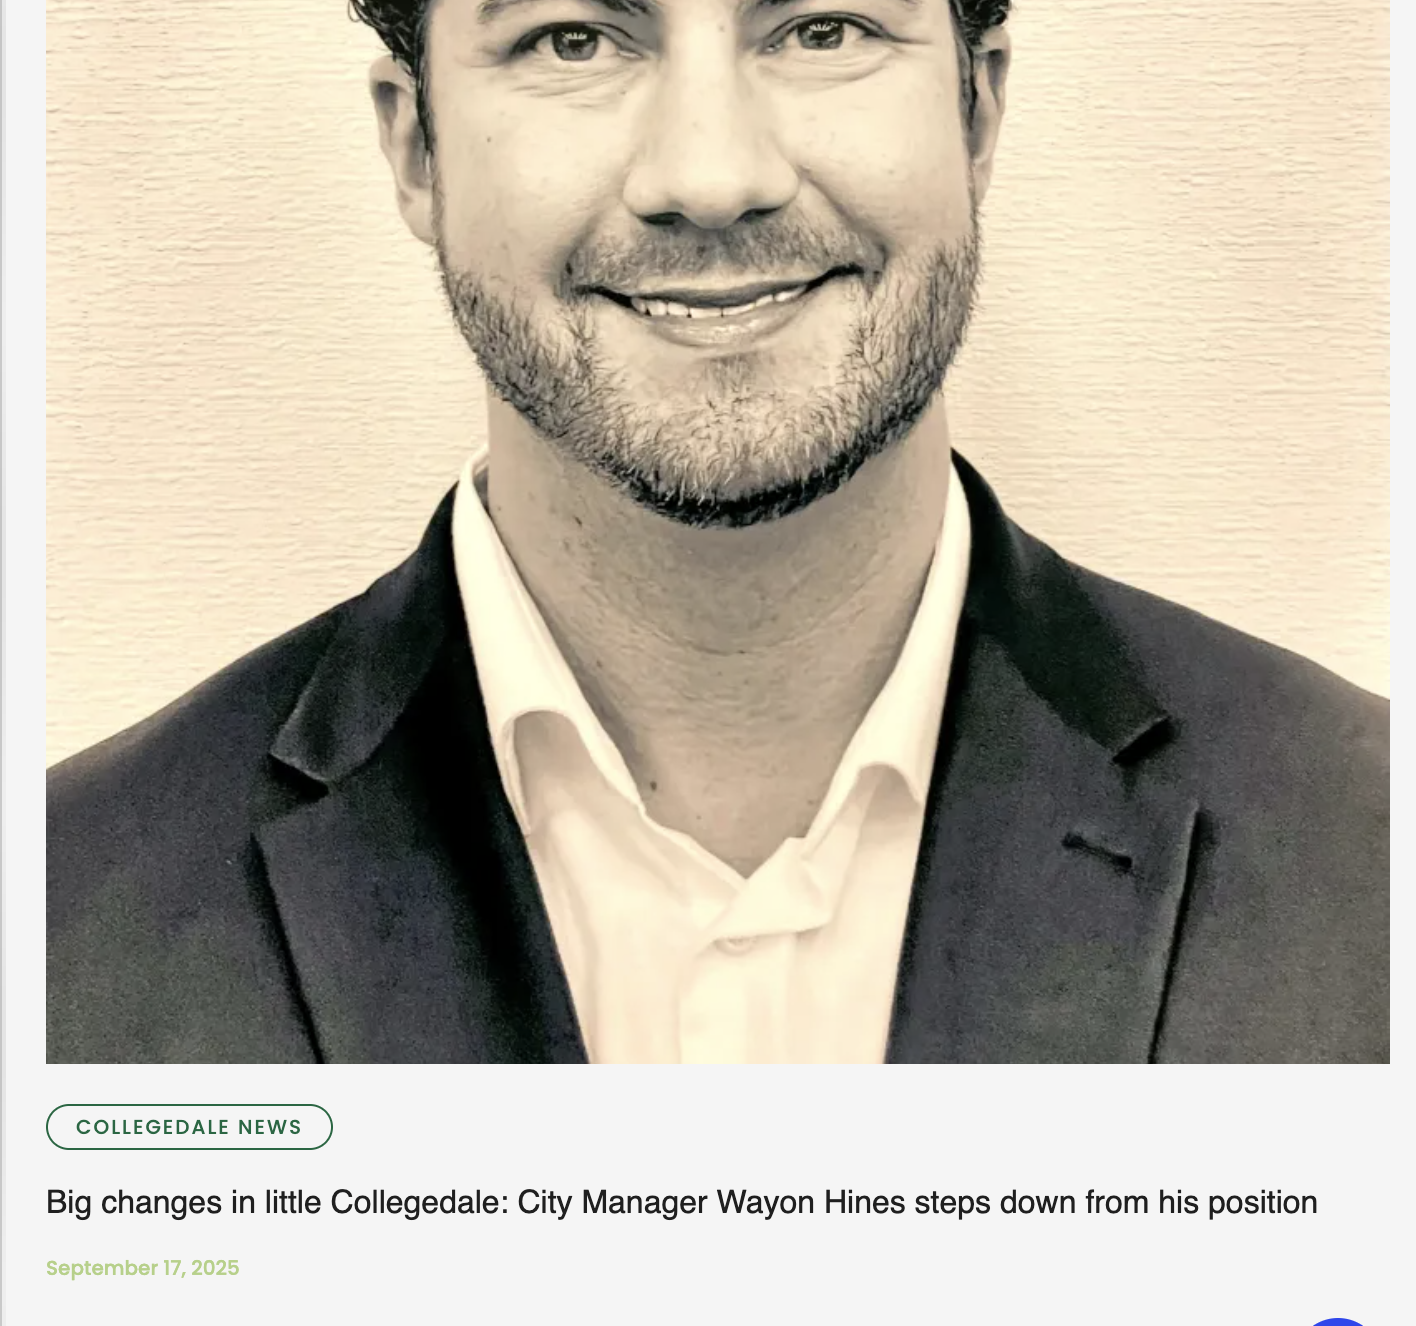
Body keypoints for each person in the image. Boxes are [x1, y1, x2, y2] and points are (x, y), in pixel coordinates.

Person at [47, 0, 1388, 1064]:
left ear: (978, 110)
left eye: (822, 28)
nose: (710, 176)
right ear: (415, 145)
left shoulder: (1368, 852)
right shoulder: (56, 924)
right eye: (575, 37)